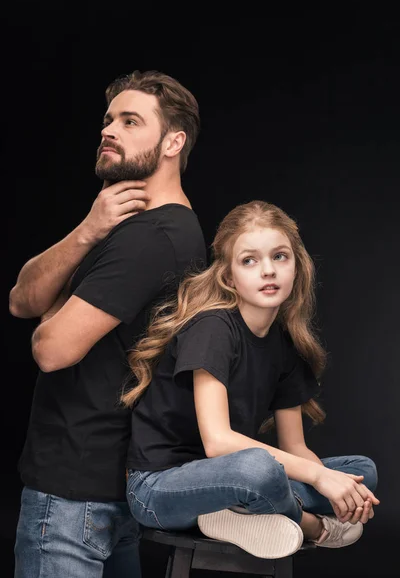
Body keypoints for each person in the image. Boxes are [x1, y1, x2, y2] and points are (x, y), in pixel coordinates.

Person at [10, 70, 207, 577]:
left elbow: (50, 349)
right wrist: (87, 231)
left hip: (75, 493)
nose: (108, 130)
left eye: (130, 120)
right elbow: (20, 300)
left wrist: (58, 309)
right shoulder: (125, 224)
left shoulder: (153, 238)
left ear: (173, 142)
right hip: (106, 488)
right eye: (108, 119)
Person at [121, 200, 379, 560]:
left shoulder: (284, 345)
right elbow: (218, 443)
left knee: (361, 473)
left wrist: (338, 484)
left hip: (234, 480)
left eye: (279, 257)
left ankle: (239, 513)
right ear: (228, 277)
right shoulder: (214, 328)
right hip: (159, 488)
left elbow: (295, 449)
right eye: (249, 260)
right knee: (257, 467)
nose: (268, 271)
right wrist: (320, 482)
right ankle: (306, 524)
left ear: (297, 267)